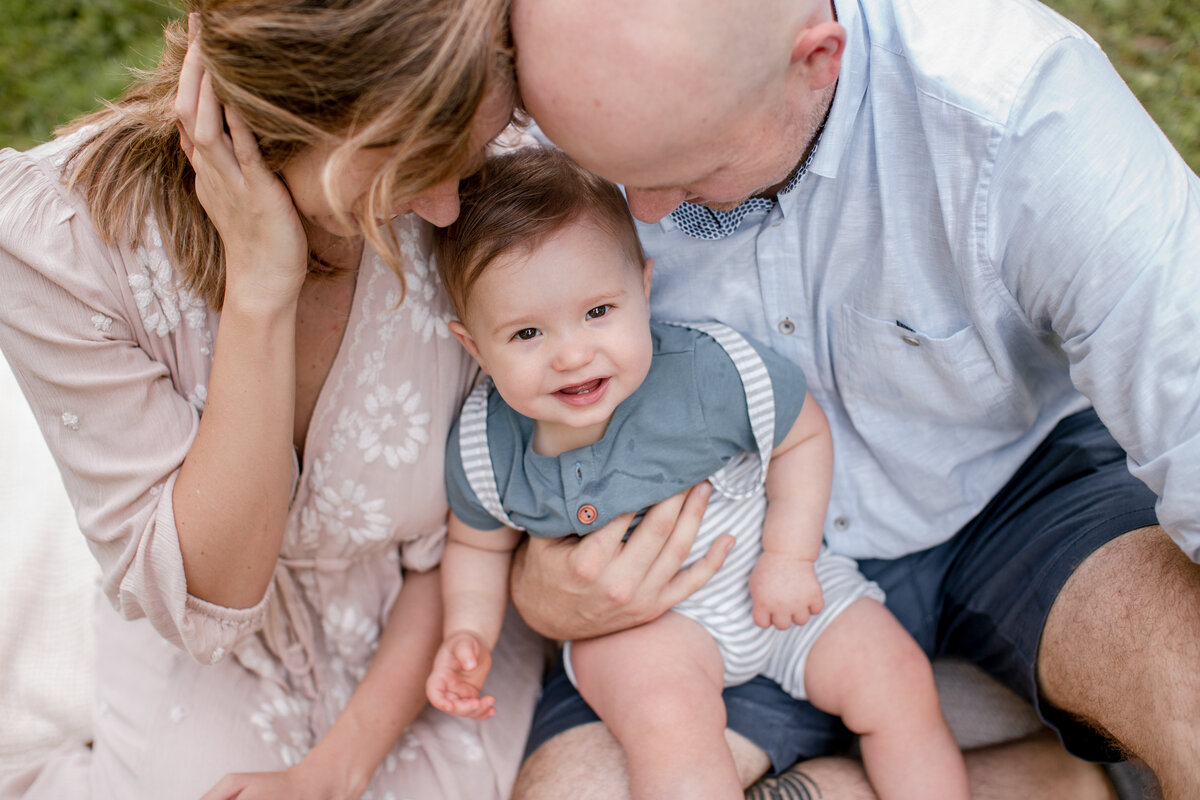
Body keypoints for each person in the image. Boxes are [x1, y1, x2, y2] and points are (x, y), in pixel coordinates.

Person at [505, 0, 1200, 798]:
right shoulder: (557, 105)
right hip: (715, 555)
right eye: (619, 173)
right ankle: (1063, 784)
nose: (649, 211)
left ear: (817, 61)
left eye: (684, 169)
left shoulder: (1015, 104)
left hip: (1017, 496)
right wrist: (539, 584)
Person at [0, 1, 545, 798]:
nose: (450, 211)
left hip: (446, 634)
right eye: (410, 168)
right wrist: (260, 290)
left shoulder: (500, 175)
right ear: (274, 119)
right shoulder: (65, 240)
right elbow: (210, 602)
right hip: (215, 656)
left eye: (470, 154)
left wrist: (332, 774)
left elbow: (470, 542)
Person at [423, 147, 969, 799]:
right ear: (473, 346)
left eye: (599, 312)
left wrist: (790, 557)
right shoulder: (487, 448)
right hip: (641, 629)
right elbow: (476, 545)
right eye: (526, 334)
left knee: (896, 679)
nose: (573, 353)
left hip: (768, 573)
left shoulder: (707, 371)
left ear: (644, 289)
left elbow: (802, 436)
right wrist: (468, 631)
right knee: (671, 726)